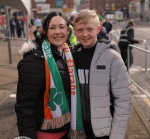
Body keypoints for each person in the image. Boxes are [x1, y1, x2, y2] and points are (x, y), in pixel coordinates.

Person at [15, 12, 85, 139]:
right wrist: (27, 136)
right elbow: (24, 106)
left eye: (62, 27)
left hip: (68, 130)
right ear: (45, 32)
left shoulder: (68, 54)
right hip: (44, 134)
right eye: (52, 28)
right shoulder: (34, 61)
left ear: (68, 31)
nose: (58, 31)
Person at [73, 9, 131, 139]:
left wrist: (117, 135)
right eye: (80, 30)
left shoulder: (112, 57)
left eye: (89, 29)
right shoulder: (72, 56)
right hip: (79, 129)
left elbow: (123, 100)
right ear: (74, 31)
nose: (85, 34)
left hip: (104, 130)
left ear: (99, 29)